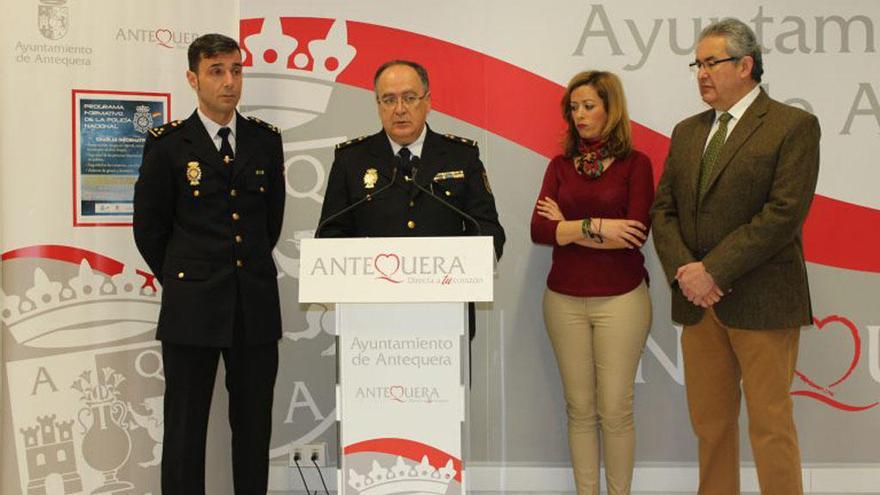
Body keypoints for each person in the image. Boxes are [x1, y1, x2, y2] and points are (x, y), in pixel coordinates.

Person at [650, 18, 820, 495]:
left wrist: (713, 271)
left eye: (712, 62)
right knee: (711, 426)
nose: (701, 73)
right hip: (698, 303)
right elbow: (663, 210)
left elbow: (783, 215)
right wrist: (688, 273)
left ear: (746, 66)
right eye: (697, 64)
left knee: (770, 425)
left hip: (762, 301)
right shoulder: (687, 132)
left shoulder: (793, 126)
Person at [133, 33, 285, 494]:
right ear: (193, 78)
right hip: (192, 305)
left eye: (236, 70)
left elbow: (269, 223)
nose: (229, 82)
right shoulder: (168, 144)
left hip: (253, 303)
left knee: (254, 425)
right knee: (184, 428)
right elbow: (150, 230)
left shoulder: (264, 140)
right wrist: (188, 279)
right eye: (217, 71)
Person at [317, 59, 506, 338]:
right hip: (369, 319)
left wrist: (466, 270)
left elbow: (488, 229)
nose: (400, 109)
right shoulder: (351, 159)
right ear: (378, 105)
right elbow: (330, 233)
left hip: (445, 315)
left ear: (427, 101)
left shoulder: (461, 156)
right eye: (389, 100)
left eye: (409, 98)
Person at [530, 70, 654, 495]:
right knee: (579, 409)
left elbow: (634, 235)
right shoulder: (559, 166)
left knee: (615, 410)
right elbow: (540, 231)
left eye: (588, 106)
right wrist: (600, 227)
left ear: (610, 109)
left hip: (621, 300)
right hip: (563, 300)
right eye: (573, 107)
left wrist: (570, 226)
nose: (579, 116)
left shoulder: (637, 165)